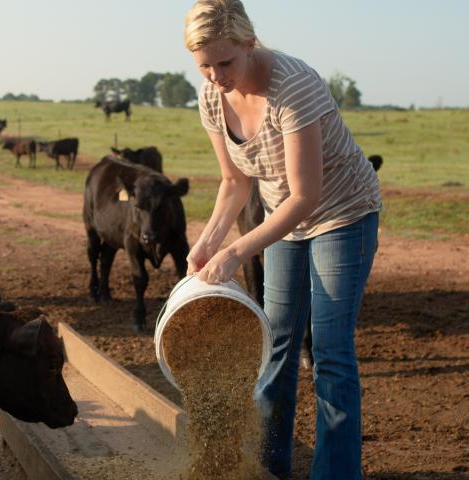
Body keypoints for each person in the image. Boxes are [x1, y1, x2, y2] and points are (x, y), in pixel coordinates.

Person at [182, 1, 381, 478]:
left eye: (224, 63)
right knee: (275, 343)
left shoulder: (293, 85)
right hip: (282, 219)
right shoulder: (212, 96)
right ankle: (266, 469)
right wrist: (207, 242)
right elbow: (234, 183)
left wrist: (236, 250)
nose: (214, 76)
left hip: (341, 214)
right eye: (204, 65)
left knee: (331, 351)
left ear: (250, 43)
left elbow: (305, 196)